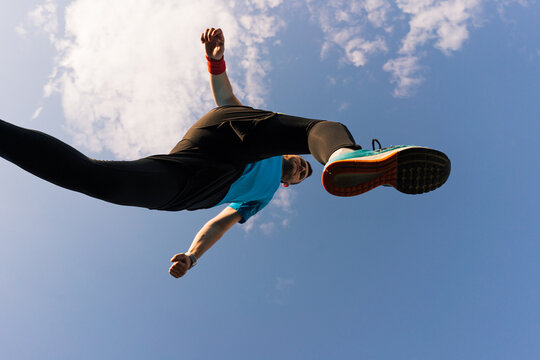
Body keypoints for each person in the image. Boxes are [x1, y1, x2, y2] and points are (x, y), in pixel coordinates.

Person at [0, 28, 450, 279]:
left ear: (289, 185)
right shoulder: (271, 149)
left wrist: (193, 255)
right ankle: (344, 155)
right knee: (313, 130)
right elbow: (225, 99)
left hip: (191, 188)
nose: (297, 166)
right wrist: (216, 62)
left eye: (299, 172)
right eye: (301, 165)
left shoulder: (263, 196)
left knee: (97, 180)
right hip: (212, 146)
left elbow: (219, 222)